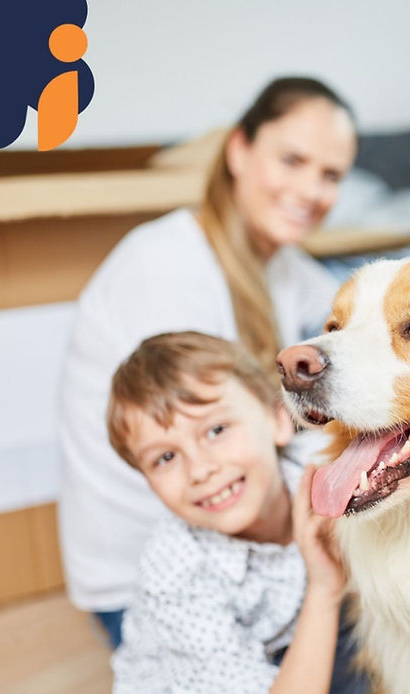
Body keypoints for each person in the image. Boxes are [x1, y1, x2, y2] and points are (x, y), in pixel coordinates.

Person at [58, 77, 357, 645]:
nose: (310, 190)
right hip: (150, 577)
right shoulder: (166, 268)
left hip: (236, 533)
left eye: (331, 175)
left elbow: (357, 319)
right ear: (238, 150)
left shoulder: (279, 263)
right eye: (292, 160)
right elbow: (209, 450)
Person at [106, 331, 368, 694]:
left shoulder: (321, 468)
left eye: (216, 431)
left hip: (283, 639)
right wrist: (324, 589)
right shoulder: (174, 571)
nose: (200, 470)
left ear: (278, 420)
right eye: (166, 457)